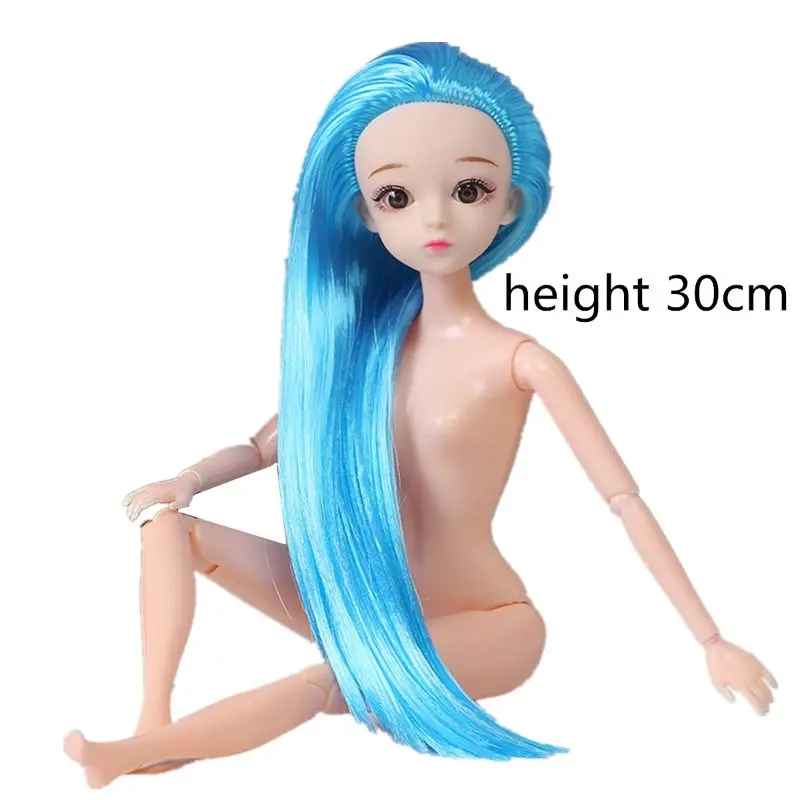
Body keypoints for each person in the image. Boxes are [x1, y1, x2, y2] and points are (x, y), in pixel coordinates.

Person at [64, 42, 777, 789]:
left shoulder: (519, 360)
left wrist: (711, 639)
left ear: (509, 203)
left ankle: (138, 755)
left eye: (469, 189)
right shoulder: (362, 357)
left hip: (489, 623)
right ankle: (151, 722)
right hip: (364, 600)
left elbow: (623, 500)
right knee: (169, 528)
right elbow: (262, 444)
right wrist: (184, 481)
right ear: (367, 215)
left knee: (327, 680)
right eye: (397, 196)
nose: (434, 217)